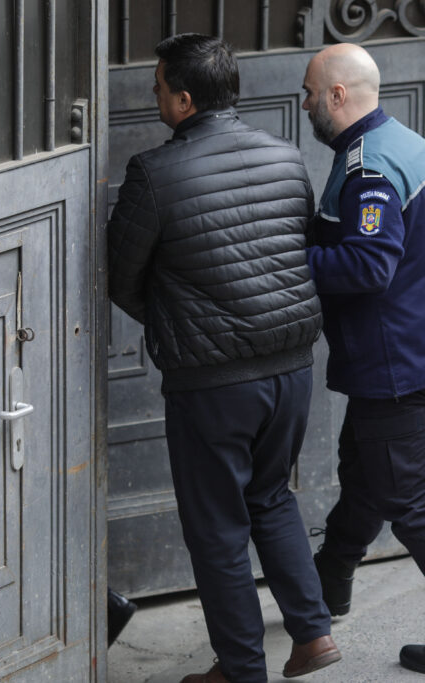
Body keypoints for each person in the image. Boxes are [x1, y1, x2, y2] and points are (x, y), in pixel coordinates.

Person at [107, 33, 340, 683]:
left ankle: (241, 669)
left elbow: (120, 277)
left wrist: (178, 324)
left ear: (184, 101)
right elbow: (297, 247)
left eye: (159, 87)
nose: (154, 95)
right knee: (271, 497)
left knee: (216, 529)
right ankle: (313, 633)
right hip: (292, 368)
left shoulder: (153, 173)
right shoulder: (286, 156)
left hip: (213, 383)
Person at [299, 43, 425, 677]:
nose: (303, 103)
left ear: (337, 95)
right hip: (421, 348)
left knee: (411, 502)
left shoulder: (370, 167)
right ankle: (328, 586)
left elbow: (368, 265)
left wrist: (287, 261)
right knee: (366, 475)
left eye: (309, 92)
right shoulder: (404, 141)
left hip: (395, 363)